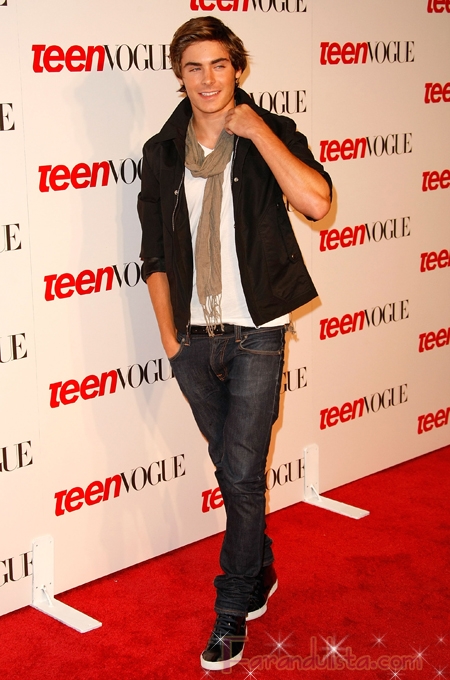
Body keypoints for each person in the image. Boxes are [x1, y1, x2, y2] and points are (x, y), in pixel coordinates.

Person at [138, 16, 332, 671]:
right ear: (180, 75)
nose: (207, 79)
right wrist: (171, 341)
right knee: (234, 471)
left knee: (243, 473)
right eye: (193, 67)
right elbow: (153, 254)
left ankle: (231, 607)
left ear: (237, 69)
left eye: (219, 64)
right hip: (192, 340)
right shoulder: (161, 152)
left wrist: (259, 132)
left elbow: (316, 202)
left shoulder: (268, 131)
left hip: (258, 333)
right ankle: (261, 566)